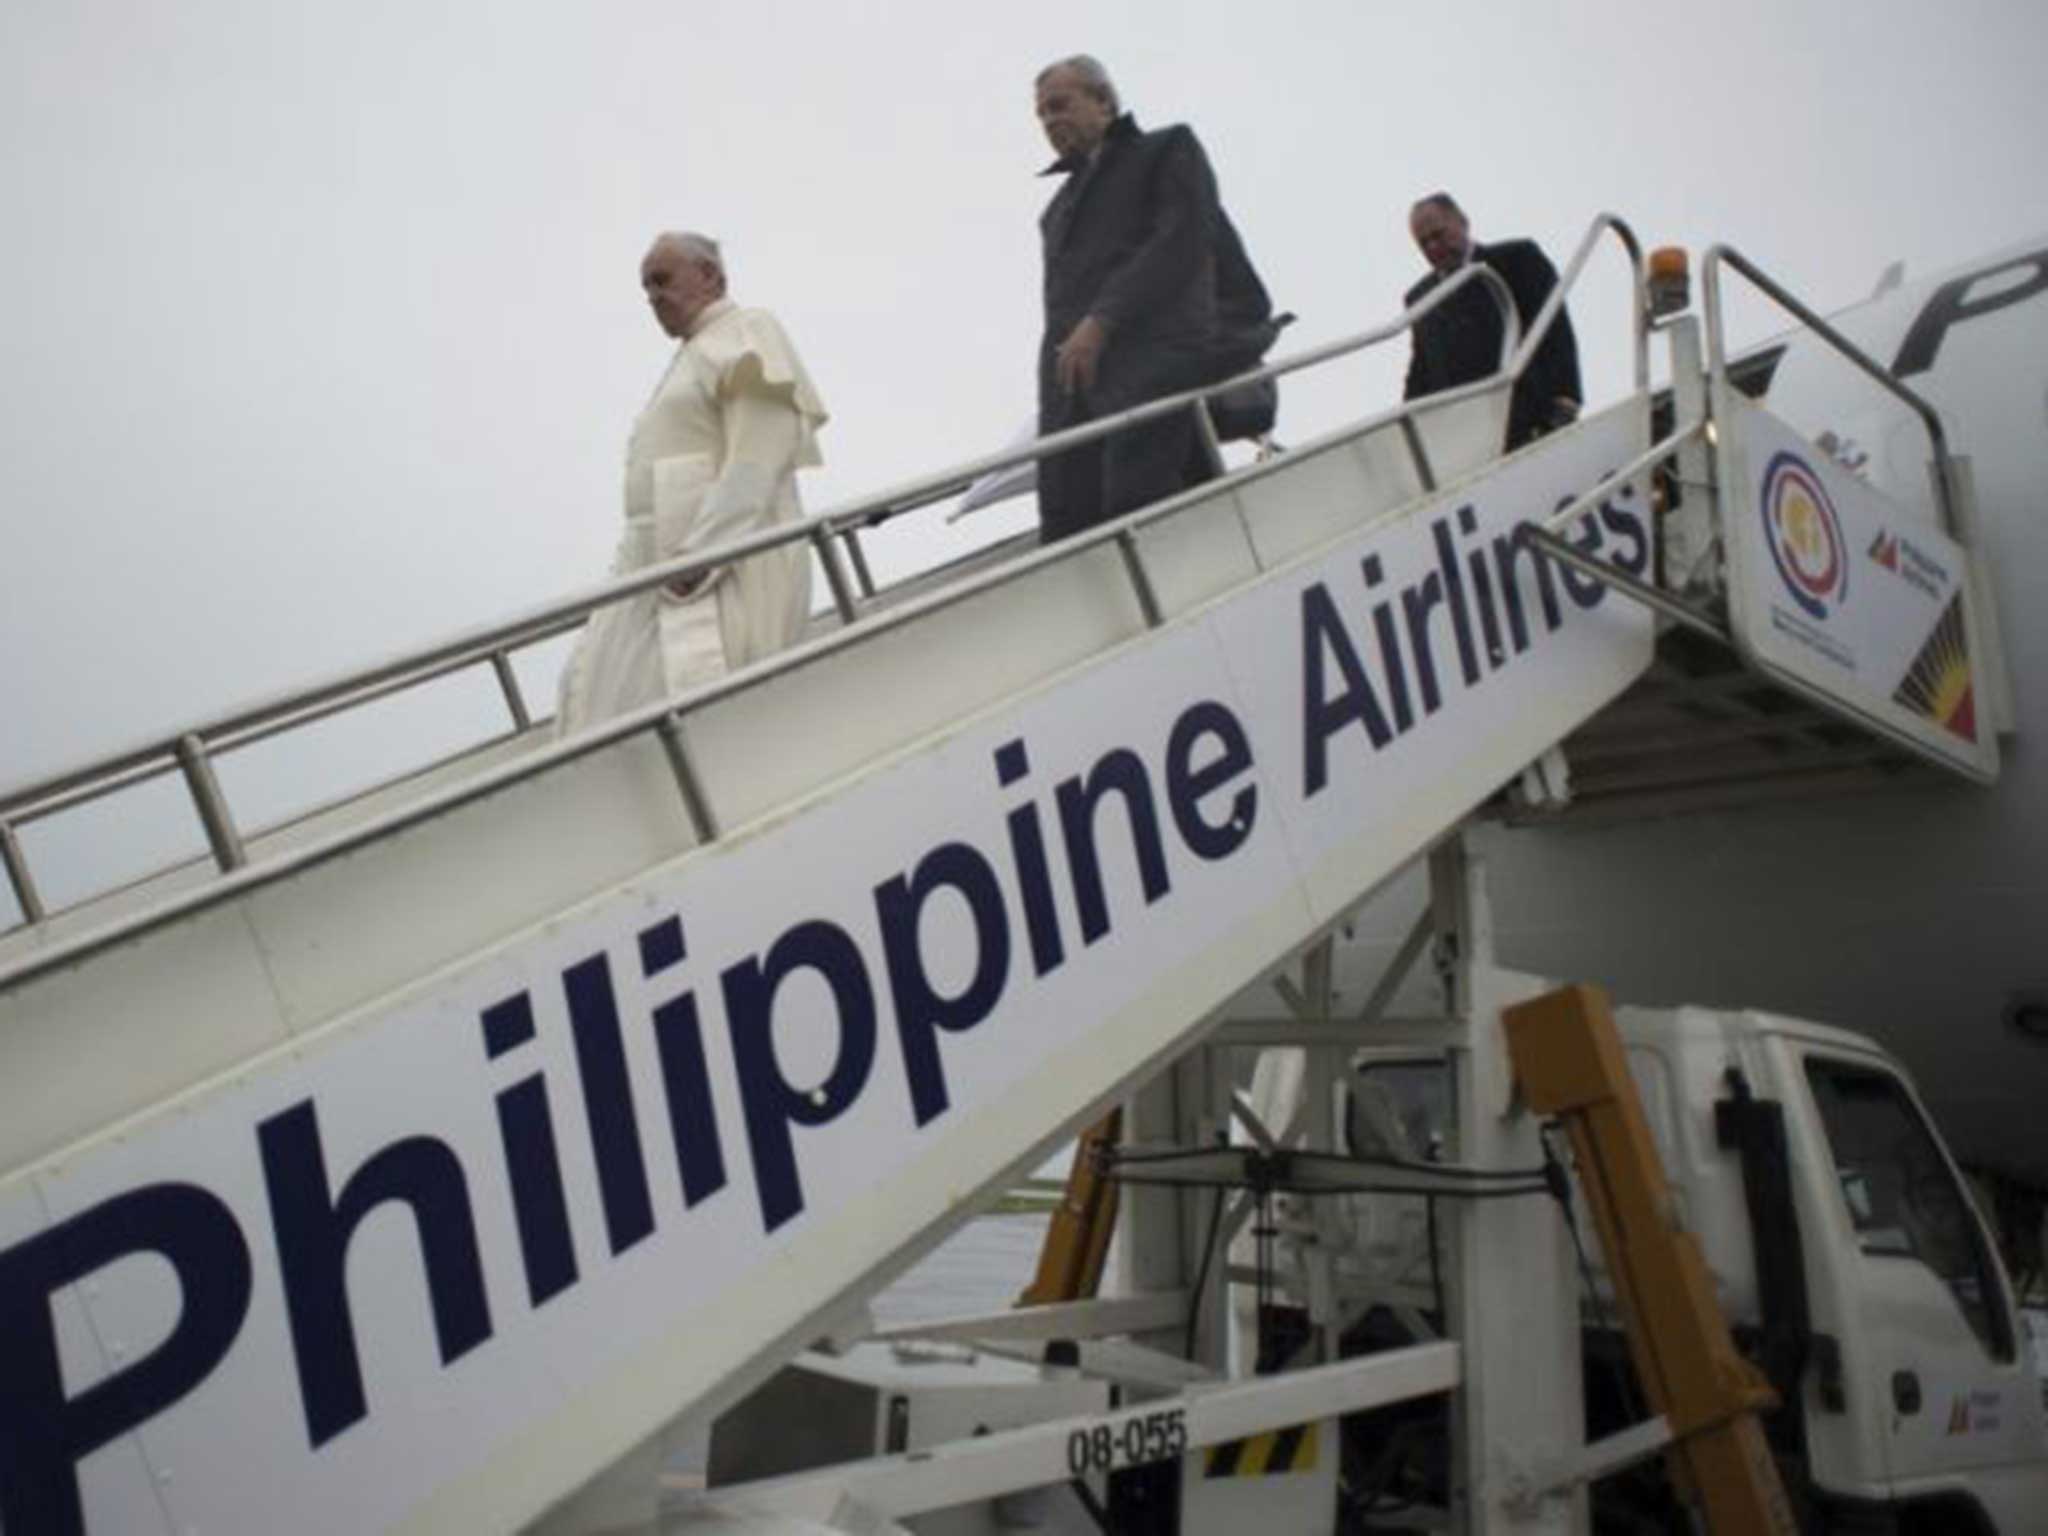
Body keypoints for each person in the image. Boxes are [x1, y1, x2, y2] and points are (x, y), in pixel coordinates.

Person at [556, 232, 828, 736]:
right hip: (657, 560)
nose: (654, 298)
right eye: (645, 289)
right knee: (599, 700)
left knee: (696, 716)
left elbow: (758, 456)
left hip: (719, 563)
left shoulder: (746, 330)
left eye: (662, 281)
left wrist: (702, 553)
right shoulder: (692, 354)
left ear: (710, 276)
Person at [1032, 55, 1276, 543]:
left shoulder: (1167, 150)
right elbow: (1059, 310)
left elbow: (1181, 241)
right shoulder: (1056, 210)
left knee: (1137, 502)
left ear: (1103, 101)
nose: (1050, 121)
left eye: (1060, 105)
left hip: (1155, 360)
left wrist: (1101, 320)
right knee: (1067, 516)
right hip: (1077, 387)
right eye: (1042, 115)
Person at [1401, 193, 1581, 450]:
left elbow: (1554, 327)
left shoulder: (1518, 259)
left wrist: (1566, 397)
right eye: (1424, 243)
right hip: (1467, 439)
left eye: (1439, 235)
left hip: (1533, 417)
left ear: (1462, 221)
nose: (1433, 247)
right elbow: (1423, 370)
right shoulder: (1420, 299)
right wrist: (1408, 435)